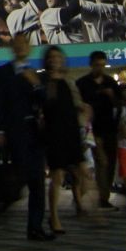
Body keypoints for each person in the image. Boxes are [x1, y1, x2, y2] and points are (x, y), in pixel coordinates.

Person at [0, 34, 50, 241]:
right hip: (14, 132)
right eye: (17, 44)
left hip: (35, 132)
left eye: (25, 43)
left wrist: (36, 84)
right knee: (21, 176)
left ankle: (35, 227)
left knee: (37, 181)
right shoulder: (2, 73)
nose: (21, 47)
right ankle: (1, 202)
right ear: (12, 47)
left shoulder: (35, 74)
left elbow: (45, 101)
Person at [38, 46, 86, 233]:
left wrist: (83, 109)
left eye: (58, 57)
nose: (55, 60)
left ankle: (81, 204)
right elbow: (44, 107)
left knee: (79, 170)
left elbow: (77, 104)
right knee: (57, 175)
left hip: (71, 130)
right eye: (51, 57)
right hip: (54, 132)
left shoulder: (69, 81)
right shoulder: (44, 81)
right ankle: (54, 216)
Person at [75, 52, 123, 210]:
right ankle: (102, 197)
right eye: (97, 65)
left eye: (102, 65)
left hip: (110, 127)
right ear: (91, 64)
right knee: (102, 161)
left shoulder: (110, 82)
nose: (100, 68)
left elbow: (120, 103)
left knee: (110, 162)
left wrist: (111, 97)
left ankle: (103, 193)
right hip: (92, 129)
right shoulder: (83, 84)